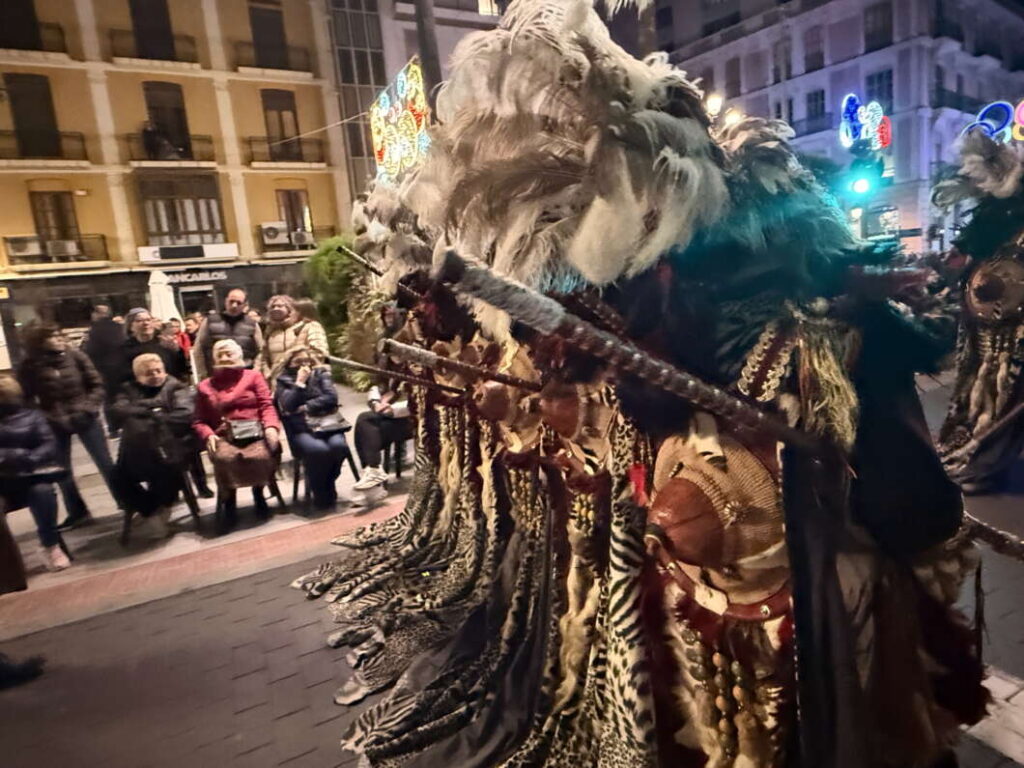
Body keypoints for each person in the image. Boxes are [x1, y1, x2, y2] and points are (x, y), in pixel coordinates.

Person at [937, 130, 1024, 495]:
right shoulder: (989, 231)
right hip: (986, 330)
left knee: (1007, 394)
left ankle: (987, 460)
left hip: (1016, 331)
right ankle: (980, 456)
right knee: (985, 392)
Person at [17, 323, 119, 529]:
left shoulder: (75, 356)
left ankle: (125, 500)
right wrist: (45, 416)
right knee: (63, 470)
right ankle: (77, 511)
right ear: (40, 341)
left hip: (85, 415)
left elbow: (96, 384)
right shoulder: (30, 365)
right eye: (53, 336)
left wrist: (89, 408)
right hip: (53, 421)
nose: (59, 339)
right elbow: (25, 397)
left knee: (105, 462)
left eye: (59, 335)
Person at [193, 339, 282, 533]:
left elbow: (266, 406)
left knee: (261, 455)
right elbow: (198, 420)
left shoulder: (253, 377)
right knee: (225, 458)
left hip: (255, 430)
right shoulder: (205, 386)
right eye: (220, 355)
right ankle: (229, 499)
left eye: (229, 354)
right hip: (224, 435)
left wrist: (271, 427)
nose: (225, 358)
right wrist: (208, 435)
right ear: (214, 359)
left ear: (239, 355)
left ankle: (259, 492)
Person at [110, 354, 195, 537]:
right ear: (138, 376)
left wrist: (151, 417)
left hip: (171, 447)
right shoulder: (128, 389)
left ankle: (154, 513)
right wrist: (152, 412)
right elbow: (119, 409)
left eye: (159, 371)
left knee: (165, 468)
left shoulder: (175, 387)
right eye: (149, 373)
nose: (156, 375)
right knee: (116, 476)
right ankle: (152, 511)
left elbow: (185, 414)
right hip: (138, 450)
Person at [0, 375, 68, 571]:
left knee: (43, 492)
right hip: (2, 483)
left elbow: (49, 446)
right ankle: (8, 562)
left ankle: (51, 545)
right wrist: (10, 454)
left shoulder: (33, 417)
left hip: (29, 476)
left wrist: (26, 457)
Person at [274, 346, 350, 510]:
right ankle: (321, 492)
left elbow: (331, 397)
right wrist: (300, 383)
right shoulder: (283, 380)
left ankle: (327, 484)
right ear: (289, 363)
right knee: (318, 451)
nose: (303, 365)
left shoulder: (321, 373)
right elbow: (288, 405)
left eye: (306, 360)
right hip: (301, 428)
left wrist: (306, 406)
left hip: (328, 423)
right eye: (298, 361)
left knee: (339, 446)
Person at [259, 295, 330, 385]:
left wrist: (292, 360)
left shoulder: (307, 327)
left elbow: (319, 352)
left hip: (302, 380)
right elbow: (263, 357)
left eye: (280, 306)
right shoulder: (270, 332)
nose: (276, 309)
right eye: (273, 307)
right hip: (276, 383)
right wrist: (267, 373)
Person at [194, 288, 263, 381]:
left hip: (244, 377)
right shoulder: (210, 321)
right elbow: (199, 349)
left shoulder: (252, 324)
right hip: (216, 377)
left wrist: (255, 372)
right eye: (231, 301)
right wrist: (202, 375)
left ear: (245, 305)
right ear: (226, 301)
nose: (234, 305)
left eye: (239, 303)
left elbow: (261, 351)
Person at [82, 304, 126, 436]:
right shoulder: (119, 328)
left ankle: (113, 428)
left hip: (104, 370)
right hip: (123, 367)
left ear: (95, 314)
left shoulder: (93, 331)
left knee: (109, 399)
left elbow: (90, 352)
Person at [119, 308, 189, 385]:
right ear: (130, 326)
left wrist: (177, 350)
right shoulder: (126, 348)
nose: (145, 323)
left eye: (148, 320)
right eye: (139, 320)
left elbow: (182, 369)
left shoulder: (164, 342)